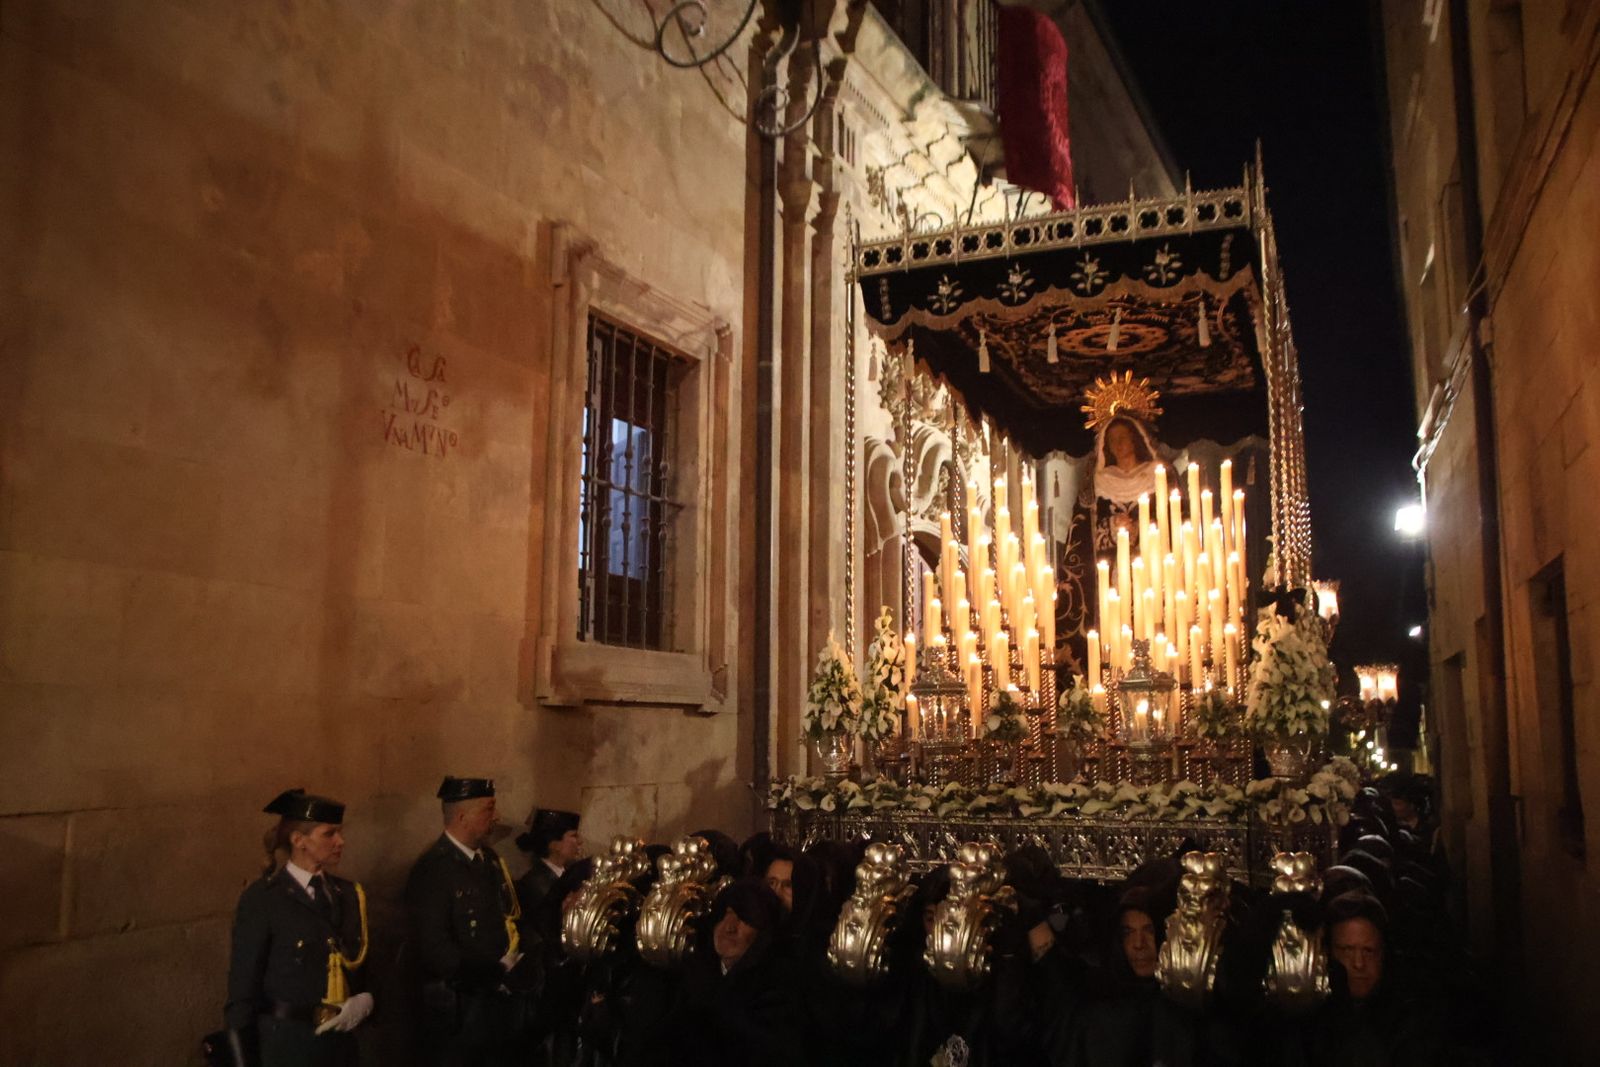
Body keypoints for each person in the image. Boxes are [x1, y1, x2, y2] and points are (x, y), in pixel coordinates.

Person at [220, 789, 374, 1067]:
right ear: (299, 840)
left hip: (340, 1046)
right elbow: (242, 992)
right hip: (289, 1046)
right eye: (329, 834)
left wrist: (366, 1000)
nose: (341, 841)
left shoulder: (348, 893)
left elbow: (363, 962)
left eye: (340, 832)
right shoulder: (265, 899)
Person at [406, 777, 533, 1067]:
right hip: (460, 1007)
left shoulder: (488, 861)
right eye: (489, 809)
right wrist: (490, 975)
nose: (497, 816)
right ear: (463, 816)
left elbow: (508, 917)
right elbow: (434, 946)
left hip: (497, 1004)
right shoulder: (435, 868)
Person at [515, 808, 583, 924]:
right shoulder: (534, 883)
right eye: (574, 836)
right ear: (555, 845)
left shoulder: (568, 876)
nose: (580, 841)